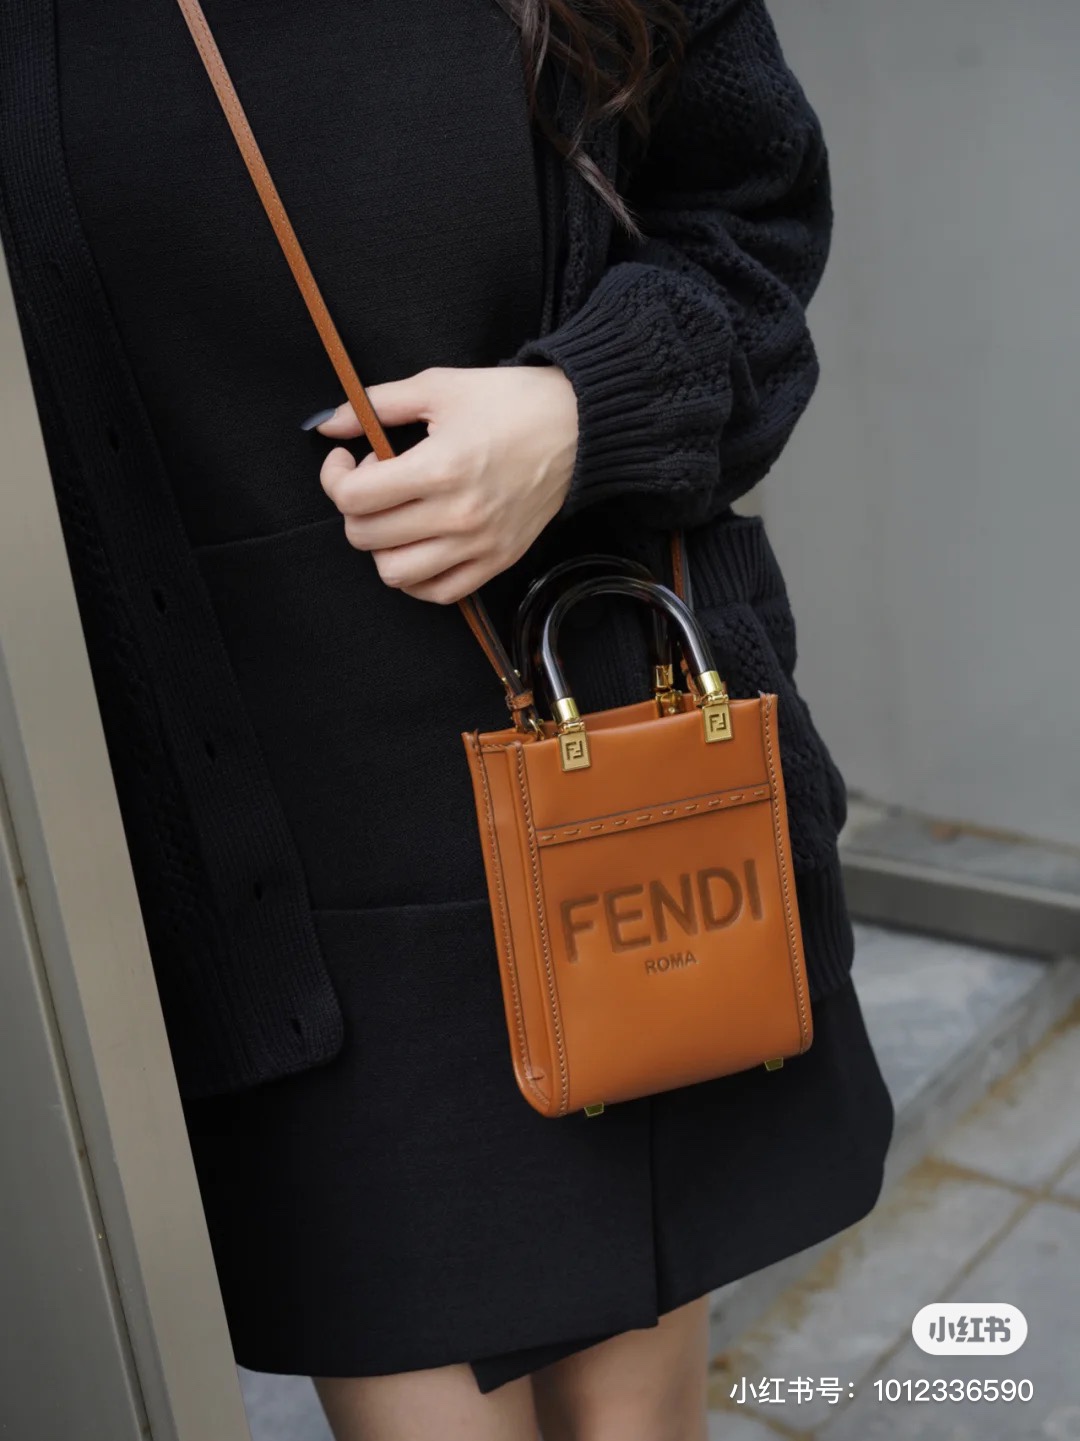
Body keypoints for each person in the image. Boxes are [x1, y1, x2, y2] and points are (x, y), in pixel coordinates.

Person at [0, 0, 895, 1437]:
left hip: (611, 787)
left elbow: (752, 218)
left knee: (635, 1421)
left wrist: (580, 408)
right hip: (285, 893)